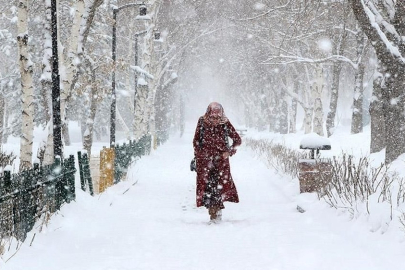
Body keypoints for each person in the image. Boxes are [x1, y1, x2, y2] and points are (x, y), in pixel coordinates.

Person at [193, 102, 242, 223]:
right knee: (207, 188)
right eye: (212, 117)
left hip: (221, 163)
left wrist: (229, 152)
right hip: (205, 163)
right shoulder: (202, 122)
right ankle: (213, 211)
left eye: (217, 117)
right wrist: (200, 154)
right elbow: (196, 141)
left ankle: (216, 213)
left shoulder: (225, 123)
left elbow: (237, 140)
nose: (215, 120)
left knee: (218, 188)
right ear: (208, 113)